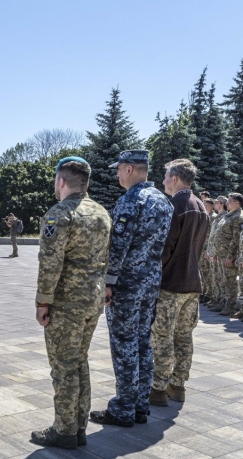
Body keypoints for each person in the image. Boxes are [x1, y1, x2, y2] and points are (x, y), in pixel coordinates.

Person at [30, 157, 111, 450]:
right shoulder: (101, 213)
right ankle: (78, 427)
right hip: (92, 299)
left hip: (66, 303)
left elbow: (50, 263)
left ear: (61, 181)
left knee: (63, 366)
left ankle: (64, 431)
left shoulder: (60, 213)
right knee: (79, 361)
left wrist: (43, 301)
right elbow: (106, 257)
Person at [90, 150, 172, 428]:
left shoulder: (131, 200)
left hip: (127, 284)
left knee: (124, 343)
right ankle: (139, 405)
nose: (116, 174)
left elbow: (118, 246)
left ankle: (124, 408)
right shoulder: (162, 200)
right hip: (150, 283)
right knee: (143, 342)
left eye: (118, 169)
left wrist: (109, 281)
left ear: (128, 169)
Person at [148, 160, 210, 407]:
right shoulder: (200, 205)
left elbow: (165, 247)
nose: (163, 181)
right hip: (192, 282)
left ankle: (158, 389)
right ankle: (178, 385)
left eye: (166, 176)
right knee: (184, 336)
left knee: (162, 336)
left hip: (171, 283)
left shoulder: (175, 205)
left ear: (175, 179)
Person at [215, 193, 243, 316]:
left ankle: (230, 305)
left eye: (229, 201)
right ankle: (223, 302)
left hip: (228, 255)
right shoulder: (229, 215)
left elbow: (236, 238)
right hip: (221, 254)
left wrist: (230, 256)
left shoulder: (239, 217)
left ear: (237, 203)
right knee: (223, 280)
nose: (227, 203)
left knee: (230, 281)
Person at [205, 196, 228, 310]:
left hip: (222, 253)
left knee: (222, 279)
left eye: (217, 202)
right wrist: (210, 251)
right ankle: (216, 299)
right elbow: (212, 236)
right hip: (214, 252)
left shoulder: (224, 217)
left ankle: (222, 301)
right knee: (216, 278)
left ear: (222, 204)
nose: (214, 204)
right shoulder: (219, 217)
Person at [198, 198, 216, 303]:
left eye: (204, 205)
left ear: (208, 206)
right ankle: (204, 291)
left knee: (208, 273)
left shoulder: (213, 217)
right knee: (203, 272)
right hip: (202, 247)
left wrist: (208, 250)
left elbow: (211, 236)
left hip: (207, 249)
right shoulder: (205, 216)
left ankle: (209, 293)